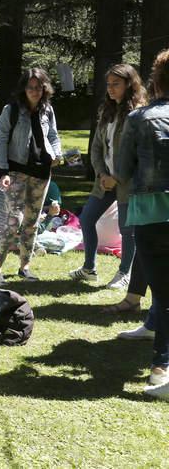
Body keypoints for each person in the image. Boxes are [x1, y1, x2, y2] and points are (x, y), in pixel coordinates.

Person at [116, 48, 169, 400]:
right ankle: (160, 366)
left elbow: (122, 170)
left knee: (163, 293)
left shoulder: (139, 118)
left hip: (151, 213)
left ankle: (162, 365)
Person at [68, 64, 147, 293]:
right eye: (109, 84)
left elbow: (138, 154)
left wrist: (117, 178)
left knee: (127, 230)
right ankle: (89, 268)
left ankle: (125, 272)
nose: (111, 89)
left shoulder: (138, 114)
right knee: (86, 219)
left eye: (116, 84)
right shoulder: (107, 110)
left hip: (127, 183)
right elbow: (96, 148)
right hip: (104, 181)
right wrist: (102, 174)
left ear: (129, 85)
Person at [0, 68, 62, 286]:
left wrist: (56, 154)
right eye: (30, 87)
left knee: (31, 222)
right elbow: (0, 140)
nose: (35, 91)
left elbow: (53, 136)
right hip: (15, 172)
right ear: (23, 89)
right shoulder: (10, 110)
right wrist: (2, 171)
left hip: (41, 172)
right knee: (14, 222)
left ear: (44, 88)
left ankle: (24, 268)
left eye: (39, 87)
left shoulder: (47, 110)